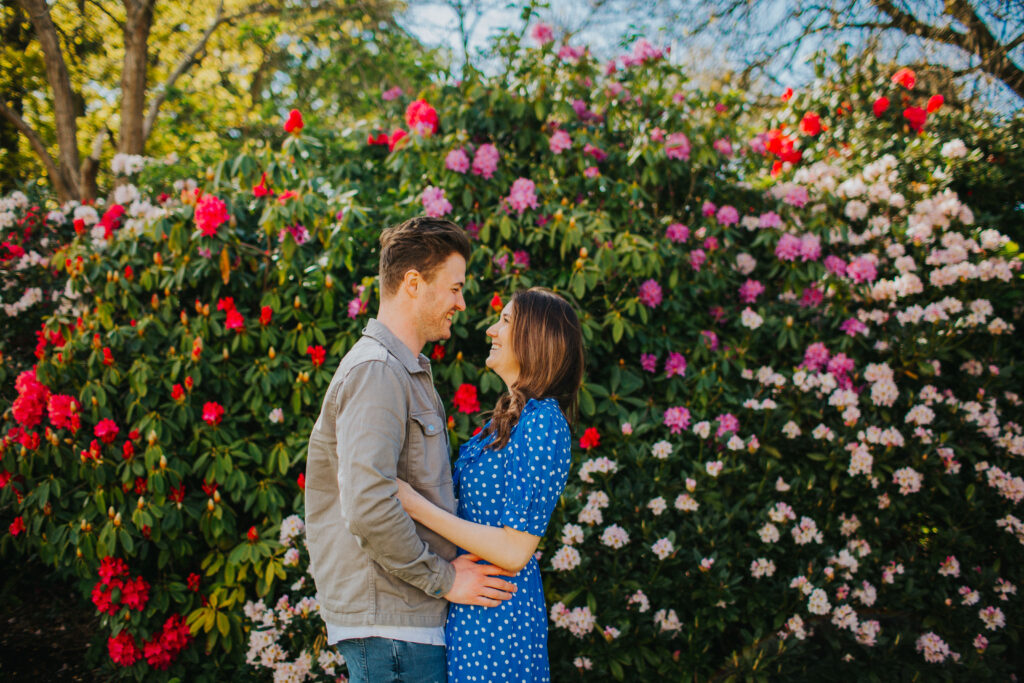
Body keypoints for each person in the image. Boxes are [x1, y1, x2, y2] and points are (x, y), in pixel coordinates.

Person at [304, 216, 518, 683]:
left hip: (403, 623)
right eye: (455, 288)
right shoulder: (377, 371)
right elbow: (368, 504)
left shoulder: (405, 370)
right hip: (393, 626)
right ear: (414, 283)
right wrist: (445, 578)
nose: (462, 303)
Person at [396, 287, 585, 682]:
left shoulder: (543, 421)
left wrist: (410, 502)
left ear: (535, 338)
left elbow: (515, 550)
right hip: (473, 601)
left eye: (505, 321)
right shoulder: (511, 420)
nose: (490, 331)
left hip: (497, 617)